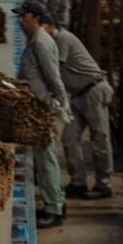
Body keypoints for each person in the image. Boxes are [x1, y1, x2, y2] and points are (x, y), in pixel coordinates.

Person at [42, 15, 114, 199]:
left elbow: (54, 70)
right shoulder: (51, 41)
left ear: (50, 26)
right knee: (69, 137)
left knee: (99, 139)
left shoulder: (62, 39)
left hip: (93, 90)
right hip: (77, 95)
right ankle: (78, 182)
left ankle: (103, 185)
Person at [14, 1, 71, 228]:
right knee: (44, 159)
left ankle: (53, 209)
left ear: (36, 17)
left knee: (46, 159)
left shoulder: (40, 42)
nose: (19, 20)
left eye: (23, 16)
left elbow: (53, 78)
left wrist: (62, 106)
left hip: (44, 110)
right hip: (38, 109)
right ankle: (56, 202)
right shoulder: (35, 40)